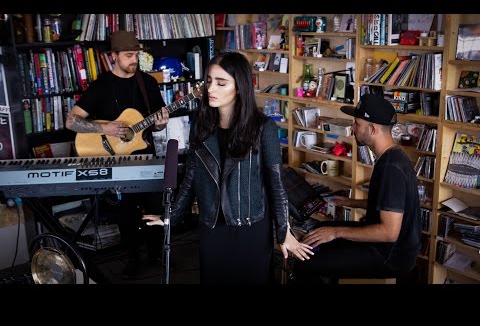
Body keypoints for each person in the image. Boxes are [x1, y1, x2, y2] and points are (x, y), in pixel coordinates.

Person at [143, 51, 313, 285]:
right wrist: (172, 215)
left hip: (250, 227)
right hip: (212, 226)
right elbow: (191, 175)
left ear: (240, 87)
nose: (211, 89)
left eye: (221, 83)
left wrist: (284, 232)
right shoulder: (200, 126)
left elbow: (276, 184)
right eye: (209, 81)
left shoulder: (264, 128)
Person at [65, 30, 169, 279]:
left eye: (137, 54)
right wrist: (105, 128)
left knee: (156, 206)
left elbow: (157, 122)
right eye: (129, 55)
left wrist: (162, 123)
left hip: (148, 157)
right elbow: (71, 121)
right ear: (114, 56)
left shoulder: (148, 83)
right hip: (118, 161)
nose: (134, 60)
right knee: (127, 213)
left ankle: (157, 256)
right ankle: (133, 258)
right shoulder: (101, 86)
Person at [293, 93, 421, 284]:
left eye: (357, 124)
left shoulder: (390, 168)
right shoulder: (393, 157)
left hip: (390, 254)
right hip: (388, 245)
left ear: (372, 129)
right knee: (320, 229)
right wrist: (353, 202)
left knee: (305, 263)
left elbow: (389, 232)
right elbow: (391, 206)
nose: (352, 128)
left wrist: (336, 233)